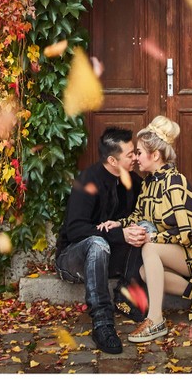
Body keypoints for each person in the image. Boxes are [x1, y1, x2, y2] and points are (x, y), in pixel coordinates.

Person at [109, 115, 192, 343]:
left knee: (149, 248)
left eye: (139, 152)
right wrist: (119, 224)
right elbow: (139, 215)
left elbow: (188, 233)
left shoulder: (175, 183)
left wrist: (153, 236)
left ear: (155, 155)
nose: (136, 157)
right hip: (174, 250)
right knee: (144, 273)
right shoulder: (149, 183)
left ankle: (156, 319)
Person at [54, 127, 146, 354]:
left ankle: (126, 294)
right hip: (73, 259)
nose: (135, 157)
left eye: (136, 152)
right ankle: (102, 323)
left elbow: (142, 215)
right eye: (130, 154)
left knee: (143, 231)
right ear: (113, 160)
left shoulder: (132, 181)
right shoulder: (87, 180)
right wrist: (116, 234)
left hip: (109, 258)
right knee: (97, 243)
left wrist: (127, 228)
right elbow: (75, 230)